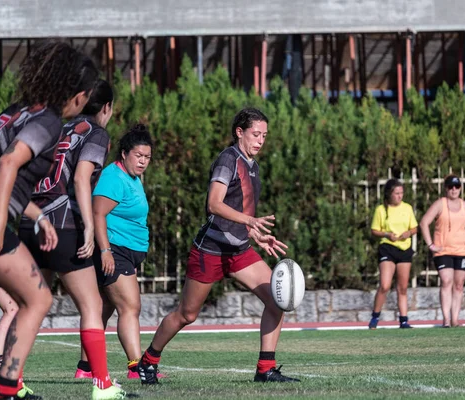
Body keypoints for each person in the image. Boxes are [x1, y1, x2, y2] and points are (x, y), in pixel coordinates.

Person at [0, 40, 99, 400]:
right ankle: (5, 390)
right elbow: (9, 164)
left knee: (29, 299)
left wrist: (38, 215)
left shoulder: (16, 111)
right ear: (75, 94)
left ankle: (5, 389)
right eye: (85, 95)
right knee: (38, 300)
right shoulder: (50, 121)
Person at [137, 107, 298, 385]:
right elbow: (214, 204)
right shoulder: (228, 159)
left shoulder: (253, 165)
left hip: (238, 251)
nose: (260, 140)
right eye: (255, 134)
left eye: (264, 136)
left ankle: (266, 369)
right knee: (187, 315)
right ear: (239, 132)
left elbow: (240, 210)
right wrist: (249, 219)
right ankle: (148, 361)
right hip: (210, 250)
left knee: (276, 300)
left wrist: (254, 233)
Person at [17, 79, 125, 400]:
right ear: (106, 108)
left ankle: (13, 380)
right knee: (93, 304)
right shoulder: (97, 132)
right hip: (63, 222)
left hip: (31, 218)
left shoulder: (61, 128)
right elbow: (80, 177)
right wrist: (90, 227)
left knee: (31, 305)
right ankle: (103, 385)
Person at [75, 125, 154, 380]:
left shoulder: (131, 178)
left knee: (102, 309)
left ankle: (84, 369)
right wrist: (106, 250)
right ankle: (136, 368)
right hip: (114, 250)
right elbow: (98, 213)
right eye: (138, 156)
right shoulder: (113, 177)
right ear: (124, 154)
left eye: (147, 157)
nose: (142, 161)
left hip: (126, 251)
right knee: (130, 306)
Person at [419, 175, 465, 328]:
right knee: (447, 281)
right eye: (450, 187)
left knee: (459, 284)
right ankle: (446, 320)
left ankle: (455, 320)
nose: (454, 190)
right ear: (446, 188)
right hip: (443, 250)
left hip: (463, 250)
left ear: (460, 188)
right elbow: (424, 223)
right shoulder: (440, 204)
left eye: (457, 187)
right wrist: (431, 245)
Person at [368, 179, 417, 329]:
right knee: (385, 285)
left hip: (404, 249)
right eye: (396, 193)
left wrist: (408, 233)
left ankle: (403, 320)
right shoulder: (381, 210)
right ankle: (375, 317)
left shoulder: (407, 208)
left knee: (402, 287)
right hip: (387, 248)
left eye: (401, 193)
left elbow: (414, 228)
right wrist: (387, 234)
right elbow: (374, 230)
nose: (399, 196)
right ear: (389, 194)